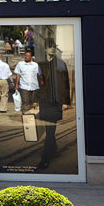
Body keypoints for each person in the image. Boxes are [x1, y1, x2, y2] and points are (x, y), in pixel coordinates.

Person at [36, 43, 71, 171]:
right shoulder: (41, 64)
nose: (52, 49)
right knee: (49, 128)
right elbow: (38, 83)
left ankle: (45, 158)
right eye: (50, 46)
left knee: (50, 130)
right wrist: (35, 100)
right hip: (45, 101)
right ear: (45, 48)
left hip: (56, 101)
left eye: (54, 47)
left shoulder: (61, 64)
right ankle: (54, 149)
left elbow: (66, 82)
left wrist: (67, 101)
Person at [14, 48, 41, 113]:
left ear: (31, 57)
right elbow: (18, 75)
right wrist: (16, 85)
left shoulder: (35, 65)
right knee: (25, 102)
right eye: (25, 56)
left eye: (28, 56)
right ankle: (25, 115)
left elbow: (39, 74)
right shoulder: (20, 64)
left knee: (34, 103)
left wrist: (42, 81)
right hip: (24, 86)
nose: (26, 57)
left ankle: (32, 115)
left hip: (34, 86)